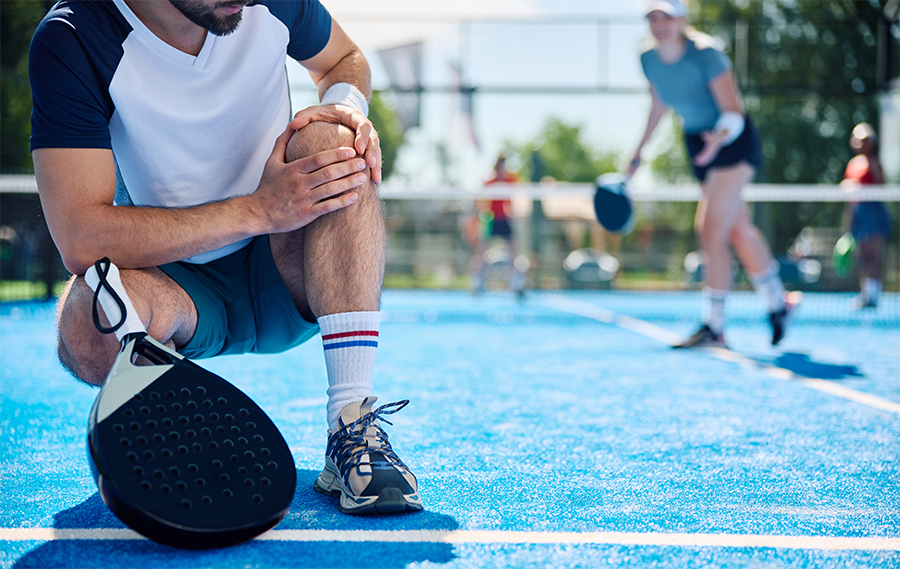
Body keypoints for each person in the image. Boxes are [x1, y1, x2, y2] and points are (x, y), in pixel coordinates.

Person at [29, 0, 421, 515]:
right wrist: (257, 210)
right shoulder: (75, 37)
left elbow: (343, 58)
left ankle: (352, 421)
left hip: (291, 269)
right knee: (87, 327)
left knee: (331, 142)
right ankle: (174, 418)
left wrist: (345, 108)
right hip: (174, 284)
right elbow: (81, 236)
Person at [628, 0, 799, 348]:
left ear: (681, 20)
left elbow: (733, 111)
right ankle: (778, 303)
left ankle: (715, 326)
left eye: (666, 17)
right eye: (652, 17)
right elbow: (659, 105)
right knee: (736, 229)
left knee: (708, 230)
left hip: (731, 139)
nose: (658, 24)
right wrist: (638, 151)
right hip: (697, 142)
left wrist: (716, 141)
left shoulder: (707, 54)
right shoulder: (647, 59)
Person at [840, 123, 892, 309]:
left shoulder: (874, 163)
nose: (861, 143)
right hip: (858, 212)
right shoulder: (853, 164)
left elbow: (881, 188)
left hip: (873, 211)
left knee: (873, 255)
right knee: (862, 255)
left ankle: (874, 295)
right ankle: (866, 294)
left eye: (865, 140)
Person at [470, 154, 526, 296]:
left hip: (504, 219)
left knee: (514, 251)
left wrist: (513, 215)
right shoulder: (490, 181)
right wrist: (480, 216)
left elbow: (512, 200)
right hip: (491, 219)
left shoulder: (510, 180)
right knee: (481, 251)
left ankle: (516, 284)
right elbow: (481, 201)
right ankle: (477, 283)